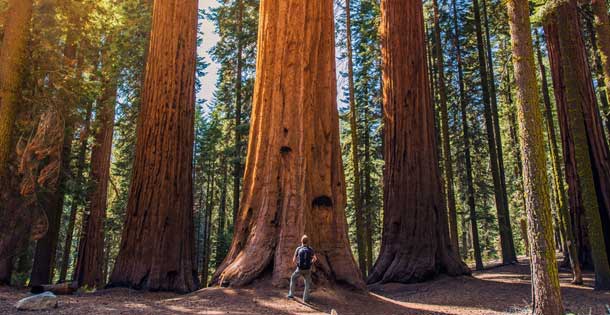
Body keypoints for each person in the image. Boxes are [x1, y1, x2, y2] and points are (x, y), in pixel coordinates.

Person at [287, 235, 317, 303]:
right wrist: (310, 263)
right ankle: (305, 299)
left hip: (299, 269)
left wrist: (298, 264)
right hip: (308, 269)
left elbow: (294, 259)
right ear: (308, 242)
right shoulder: (310, 249)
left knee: (293, 278)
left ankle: (291, 295)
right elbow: (315, 259)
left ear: (301, 241)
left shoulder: (298, 249)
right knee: (307, 283)